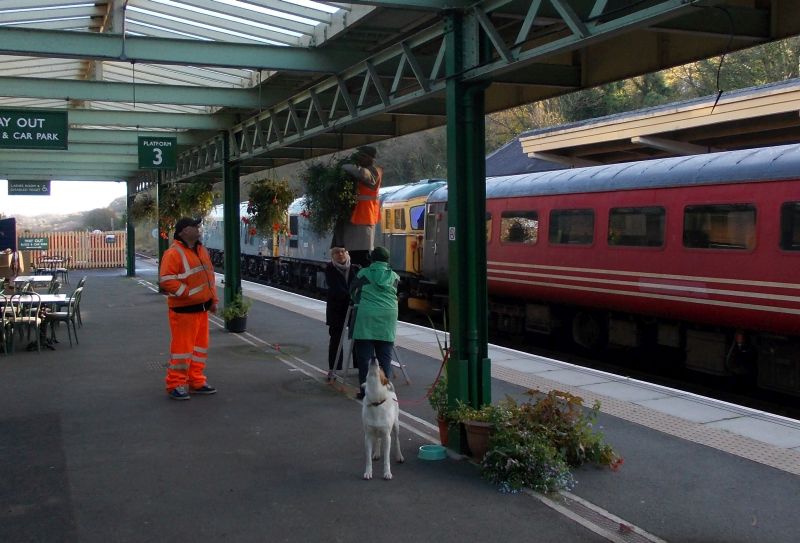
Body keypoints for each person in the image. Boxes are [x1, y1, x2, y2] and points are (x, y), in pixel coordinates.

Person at [159, 217, 219, 401]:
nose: (198, 228)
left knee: (200, 349)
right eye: (194, 226)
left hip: (201, 310)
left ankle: (196, 381)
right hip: (184, 311)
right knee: (182, 350)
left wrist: (213, 299)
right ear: (184, 231)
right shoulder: (173, 253)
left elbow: (209, 278)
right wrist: (187, 293)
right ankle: (175, 384)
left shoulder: (202, 251)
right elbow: (166, 279)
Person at [349, 246, 399, 399]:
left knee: (365, 358)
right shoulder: (395, 277)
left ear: (372, 259)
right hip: (388, 317)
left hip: (366, 317)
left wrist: (358, 300)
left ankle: (366, 392)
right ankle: (384, 393)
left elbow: (352, 291)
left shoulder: (363, 273)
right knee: (385, 357)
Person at [334, 145, 383, 268]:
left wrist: (346, 166)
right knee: (354, 254)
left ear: (370, 158)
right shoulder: (365, 171)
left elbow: (362, 174)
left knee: (361, 255)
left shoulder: (374, 171)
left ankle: (363, 282)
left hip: (365, 217)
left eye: (362, 156)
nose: (359, 158)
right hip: (357, 217)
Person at [324, 246, 361, 382]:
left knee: (357, 338)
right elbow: (334, 287)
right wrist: (351, 296)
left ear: (347, 253)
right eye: (336, 252)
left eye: (342, 251)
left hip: (353, 308)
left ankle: (359, 365)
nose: (340, 254)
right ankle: (334, 368)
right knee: (336, 339)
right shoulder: (329, 268)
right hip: (337, 309)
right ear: (332, 256)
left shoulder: (356, 268)